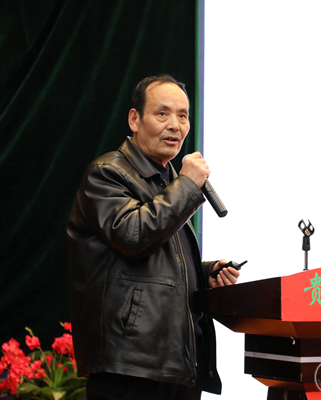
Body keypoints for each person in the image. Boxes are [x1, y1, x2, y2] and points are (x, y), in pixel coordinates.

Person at [66, 74, 239, 400]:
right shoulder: (107, 173)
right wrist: (187, 186)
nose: (175, 125)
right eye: (162, 113)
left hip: (175, 363)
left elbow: (156, 261)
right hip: (131, 366)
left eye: (183, 116)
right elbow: (133, 236)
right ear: (135, 119)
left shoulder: (168, 182)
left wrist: (205, 273)